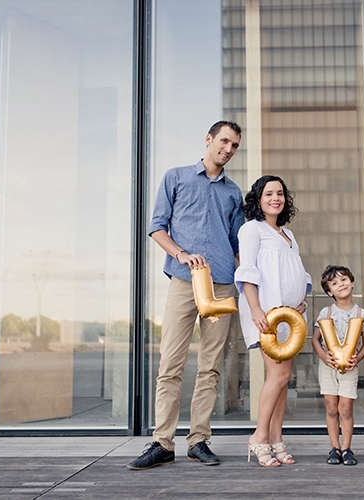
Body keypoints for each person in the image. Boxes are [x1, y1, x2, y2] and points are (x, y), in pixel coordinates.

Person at [127, 120, 244, 470]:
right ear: (209, 140)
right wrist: (180, 254)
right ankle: (162, 443)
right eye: (224, 140)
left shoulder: (233, 192)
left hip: (222, 283)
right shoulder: (175, 177)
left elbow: (238, 244)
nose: (228, 148)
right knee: (170, 366)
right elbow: (156, 226)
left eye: (235, 145)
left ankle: (198, 440)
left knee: (210, 367)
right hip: (184, 280)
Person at [235, 175, 311, 467]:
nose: (275, 198)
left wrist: (302, 300)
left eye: (279, 193)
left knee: (283, 379)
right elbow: (248, 271)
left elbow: (298, 272)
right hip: (266, 312)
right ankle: (259, 437)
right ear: (258, 199)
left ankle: (276, 439)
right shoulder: (252, 230)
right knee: (277, 376)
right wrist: (255, 309)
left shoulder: (288, 235)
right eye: (268, 194)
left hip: (290, 317)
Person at [312, 265, 364, 466]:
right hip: (328, 367)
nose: (341, 285)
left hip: (349, 367)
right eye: (335, 283)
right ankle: (334, 448)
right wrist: (323, 356)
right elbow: (315, 339)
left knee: (345, 409)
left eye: (344, 280)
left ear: (352, 282)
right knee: (331, 408)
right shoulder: (326, 311)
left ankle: (347, 448)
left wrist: (358, 358)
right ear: (329, 291)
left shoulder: (361, 313)